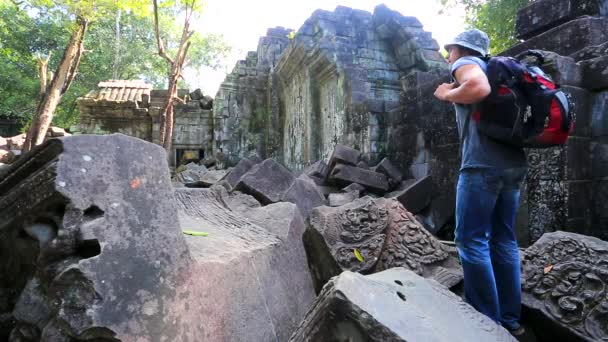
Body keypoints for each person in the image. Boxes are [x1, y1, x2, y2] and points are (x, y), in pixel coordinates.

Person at [433, 29, 528, 337]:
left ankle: (486, 322)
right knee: (504, 239)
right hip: (512, 166)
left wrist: (447, 93)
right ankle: (510, 319)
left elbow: (477, 86)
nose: (449, 56)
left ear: (462, 49)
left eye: (450, 50)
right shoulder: (503, 71)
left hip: (481, 166)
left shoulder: (466, 64)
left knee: (471, 240)